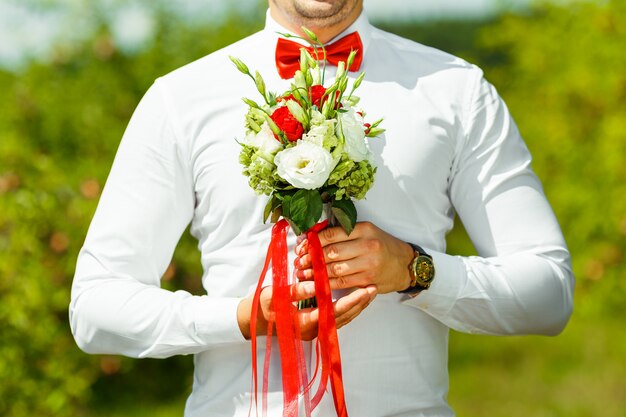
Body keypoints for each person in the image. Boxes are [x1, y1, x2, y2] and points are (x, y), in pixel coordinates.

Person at [69, 0, 575, 416]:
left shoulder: (457, 91)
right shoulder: (180, 99)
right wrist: (244, 317)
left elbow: (549, 292)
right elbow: (95, 308)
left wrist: (418, 271)